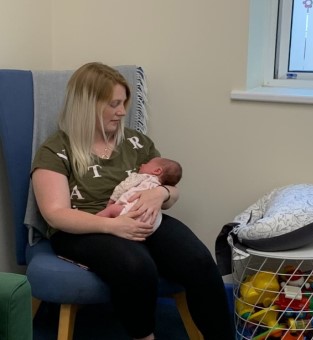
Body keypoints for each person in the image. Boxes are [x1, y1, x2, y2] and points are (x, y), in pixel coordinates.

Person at [31, 62, 234, 340]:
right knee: (136, 267)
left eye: (124, 102)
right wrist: (113, 227)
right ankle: (143, 336)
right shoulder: (56, 150)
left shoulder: (136, 143)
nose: (122, 111)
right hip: (87, 227)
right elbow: (55, 214)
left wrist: (160, 194)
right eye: (114, 104)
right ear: (88, 105)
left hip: (142, 216)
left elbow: (171, 190)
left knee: (198, 261)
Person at [96, 156, 182, 231]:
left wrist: (112, 200)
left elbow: (123, 187)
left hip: (131, 213)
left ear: (157, 170)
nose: (142, 164)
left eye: (147, 163)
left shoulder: (140, 177)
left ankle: (96, 220)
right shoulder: (159, 185)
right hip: (151, 222)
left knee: (112, 209)